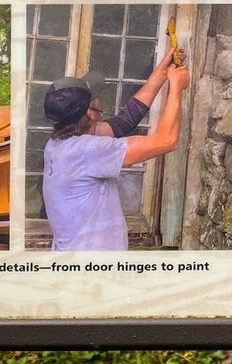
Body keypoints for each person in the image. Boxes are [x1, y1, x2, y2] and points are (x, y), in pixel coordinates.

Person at [40, 51, 190, 251]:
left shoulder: (58, 143)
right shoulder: (88, 150)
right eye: (94, 99)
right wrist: (176, 88)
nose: (98, 98)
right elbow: (166, 140)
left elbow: (124, 121)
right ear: (89, 113)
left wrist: (163, 70)